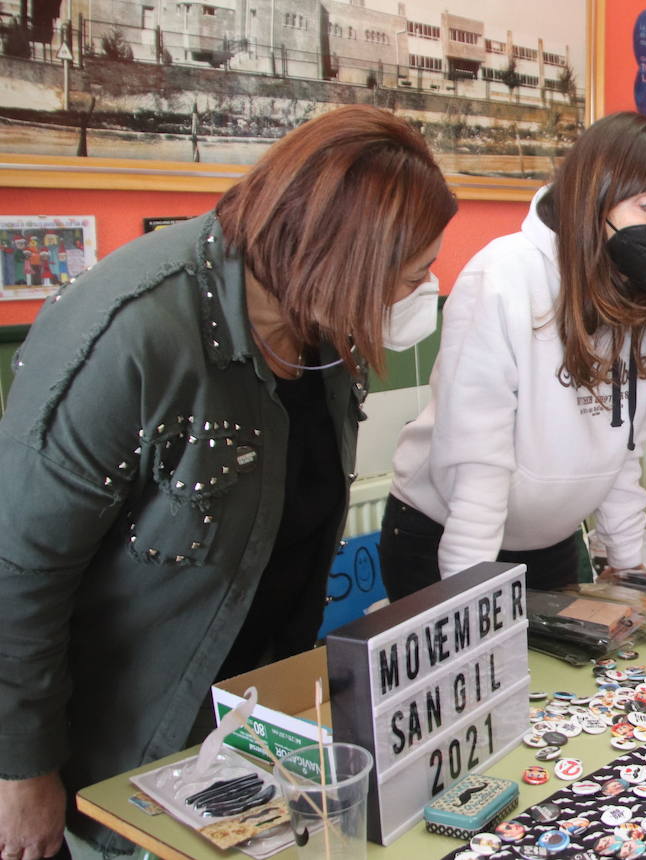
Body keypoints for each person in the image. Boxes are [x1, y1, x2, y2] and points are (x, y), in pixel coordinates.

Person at [0, 105, 456, 860]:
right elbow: (19, 571)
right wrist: (22, 773)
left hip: (243, 735)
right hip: (113, 759)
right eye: (407, 278)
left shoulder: (318, 327)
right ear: (337, 260)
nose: (419, 294)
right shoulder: (135, 332)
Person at [380, 111, 646, 599]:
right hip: (450, 535)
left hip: (550, 541)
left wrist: (630, 565)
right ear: (593, 200)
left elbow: (623, 448)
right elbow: (476, 458)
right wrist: (469, 599)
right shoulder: (505, 275)